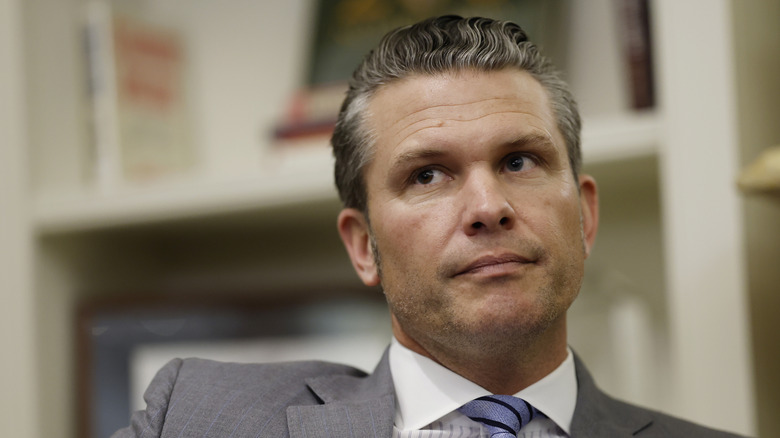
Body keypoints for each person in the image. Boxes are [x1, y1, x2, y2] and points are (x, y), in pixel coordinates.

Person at [113, 16, 745, 438]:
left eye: (519, 161)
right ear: (364, 247)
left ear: (584, 213)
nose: (487, 206)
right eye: (427, 176)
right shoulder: (198, 415)